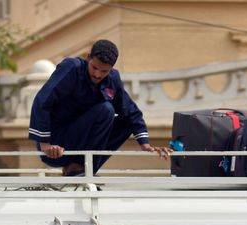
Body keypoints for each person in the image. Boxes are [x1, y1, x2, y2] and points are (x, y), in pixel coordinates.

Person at [29, 39, 170, 176]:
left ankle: (83, 168)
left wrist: (144, 144)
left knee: (125, 120)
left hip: (83, 142)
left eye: (104, 71)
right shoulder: (72, 68)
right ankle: (75, 166)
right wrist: (45, 144)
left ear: (111, 69)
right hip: (56, 145)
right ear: (88, 58)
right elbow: (42, 101)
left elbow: (131, 111)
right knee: (106, 110)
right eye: (94, 67)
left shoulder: (113, 79)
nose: (97, 74)